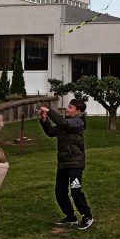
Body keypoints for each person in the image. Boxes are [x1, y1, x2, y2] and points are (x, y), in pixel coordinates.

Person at [39, 98, 93, 230]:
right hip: (63, 163)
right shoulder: (64, 123)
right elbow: (51, 132)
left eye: (70, 107)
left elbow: (63, 122)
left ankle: (87, 216)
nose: (66, 109)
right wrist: (44, 120)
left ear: (78, 111)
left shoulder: (78, 122)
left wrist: (49, 111)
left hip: (76, 163)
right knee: (60, 192)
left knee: (75, 190)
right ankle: (70, 216)